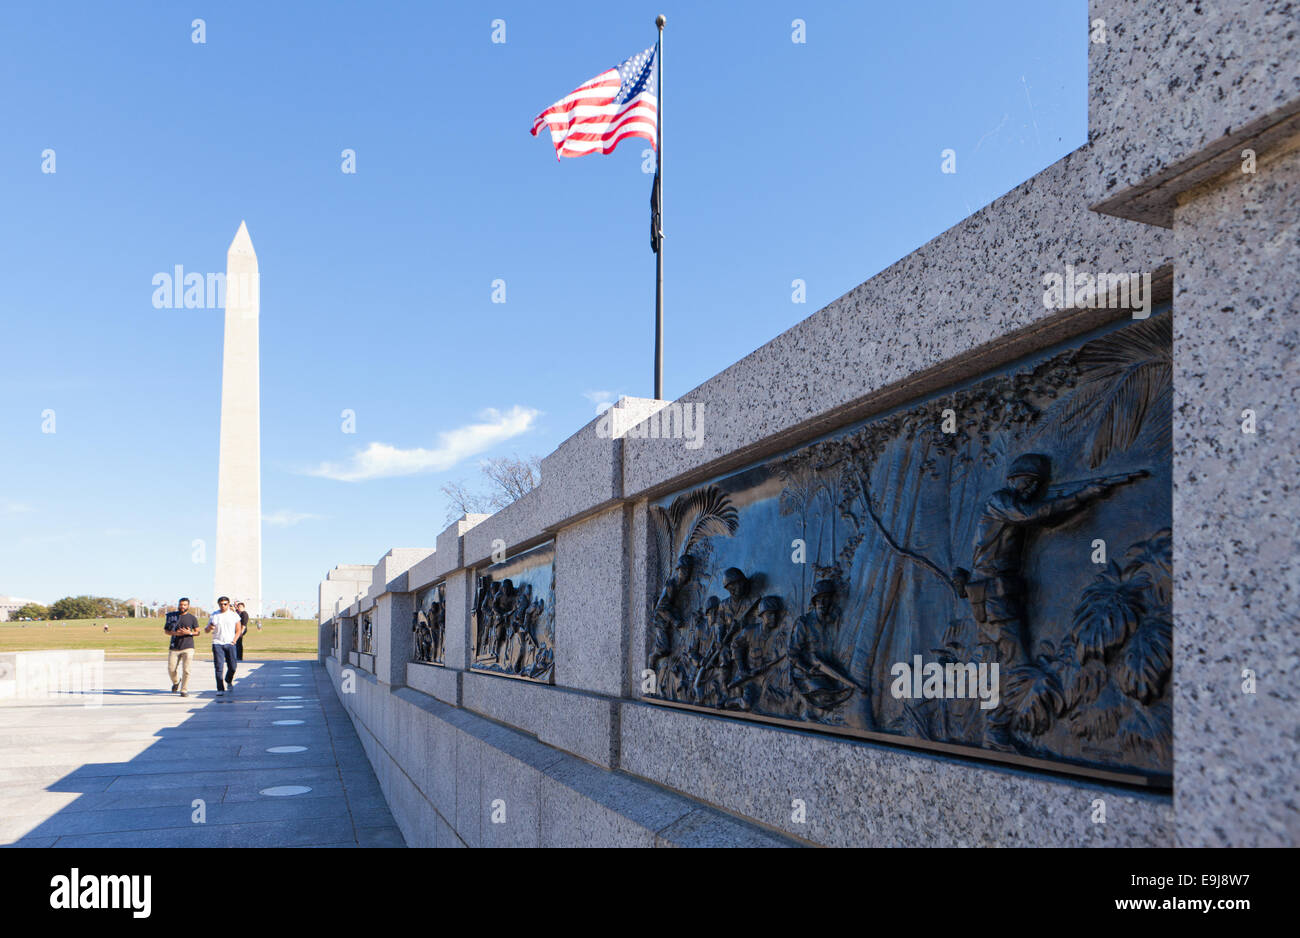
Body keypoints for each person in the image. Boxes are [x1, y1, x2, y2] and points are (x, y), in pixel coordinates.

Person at [204, 596, 244, 696]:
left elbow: (238, 630)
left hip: (230, 643)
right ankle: (220, 688)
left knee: (233, 666)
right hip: (217, 643)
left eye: (225, 604)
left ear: (228, 604)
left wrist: (234, 641)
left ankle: (228, 679)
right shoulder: (214, 615)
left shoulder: (234, 615)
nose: (223, 606)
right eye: (221, 604)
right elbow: (206, 630)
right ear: (218, 604)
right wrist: (210, 627)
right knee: (219, 667)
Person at [163, 597, 200, 697]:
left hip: (188, 647)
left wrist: (190, 633)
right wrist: (176, 633)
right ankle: (176, 682)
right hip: (174, 647)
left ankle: (184, 689)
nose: (182, 606)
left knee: (186, 670)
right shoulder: (172, 616)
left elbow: (198, 632)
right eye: (180, 604)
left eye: (184, 605)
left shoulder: (192, 618)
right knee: (171, 669)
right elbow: (166, 631)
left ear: (188, 606)